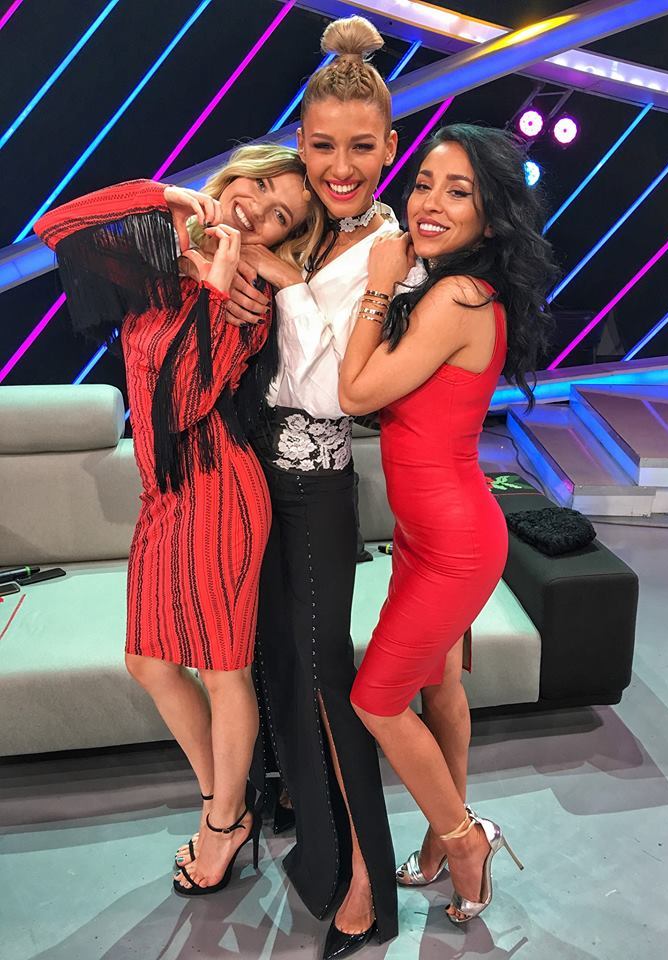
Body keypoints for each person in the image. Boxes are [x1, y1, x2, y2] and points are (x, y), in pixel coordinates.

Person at [34, 144, 321, 897]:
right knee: (149, 661)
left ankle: (224, 822)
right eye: (260, 184)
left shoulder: (247, 300)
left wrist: (217, 286)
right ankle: (226, 802)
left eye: (280, 215)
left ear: (281, 240)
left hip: (218, 491)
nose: (258, 207)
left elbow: (182, 402)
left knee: (223, 671)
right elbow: (56, 226)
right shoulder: (156, 262)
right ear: (237, 174)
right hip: (165, 496)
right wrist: (163, 196)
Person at [339, 124, 556, 925]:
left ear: (490, 218)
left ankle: (465, 840)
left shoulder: (457, 297)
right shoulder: (454, 289)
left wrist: (378, 284)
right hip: (428, 534)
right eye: (424, 183)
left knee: (375, 699)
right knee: (439, 686)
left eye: (457, 191)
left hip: (455, 545)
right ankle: (440, 839)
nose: (429, 202)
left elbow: (357, 393)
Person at [222, 16, 404, 960]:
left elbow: (339, 393)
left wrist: (277, 280)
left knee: (332, 683)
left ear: (390, 146)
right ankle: (315, 847)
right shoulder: (315, 227)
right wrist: (249, 267)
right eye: (324, 145)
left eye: (360, 147)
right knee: (282, 669)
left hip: (320, 488)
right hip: (257, 480)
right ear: (301, 141)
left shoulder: (389, 251)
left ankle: (370, 883)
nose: (341, 166)